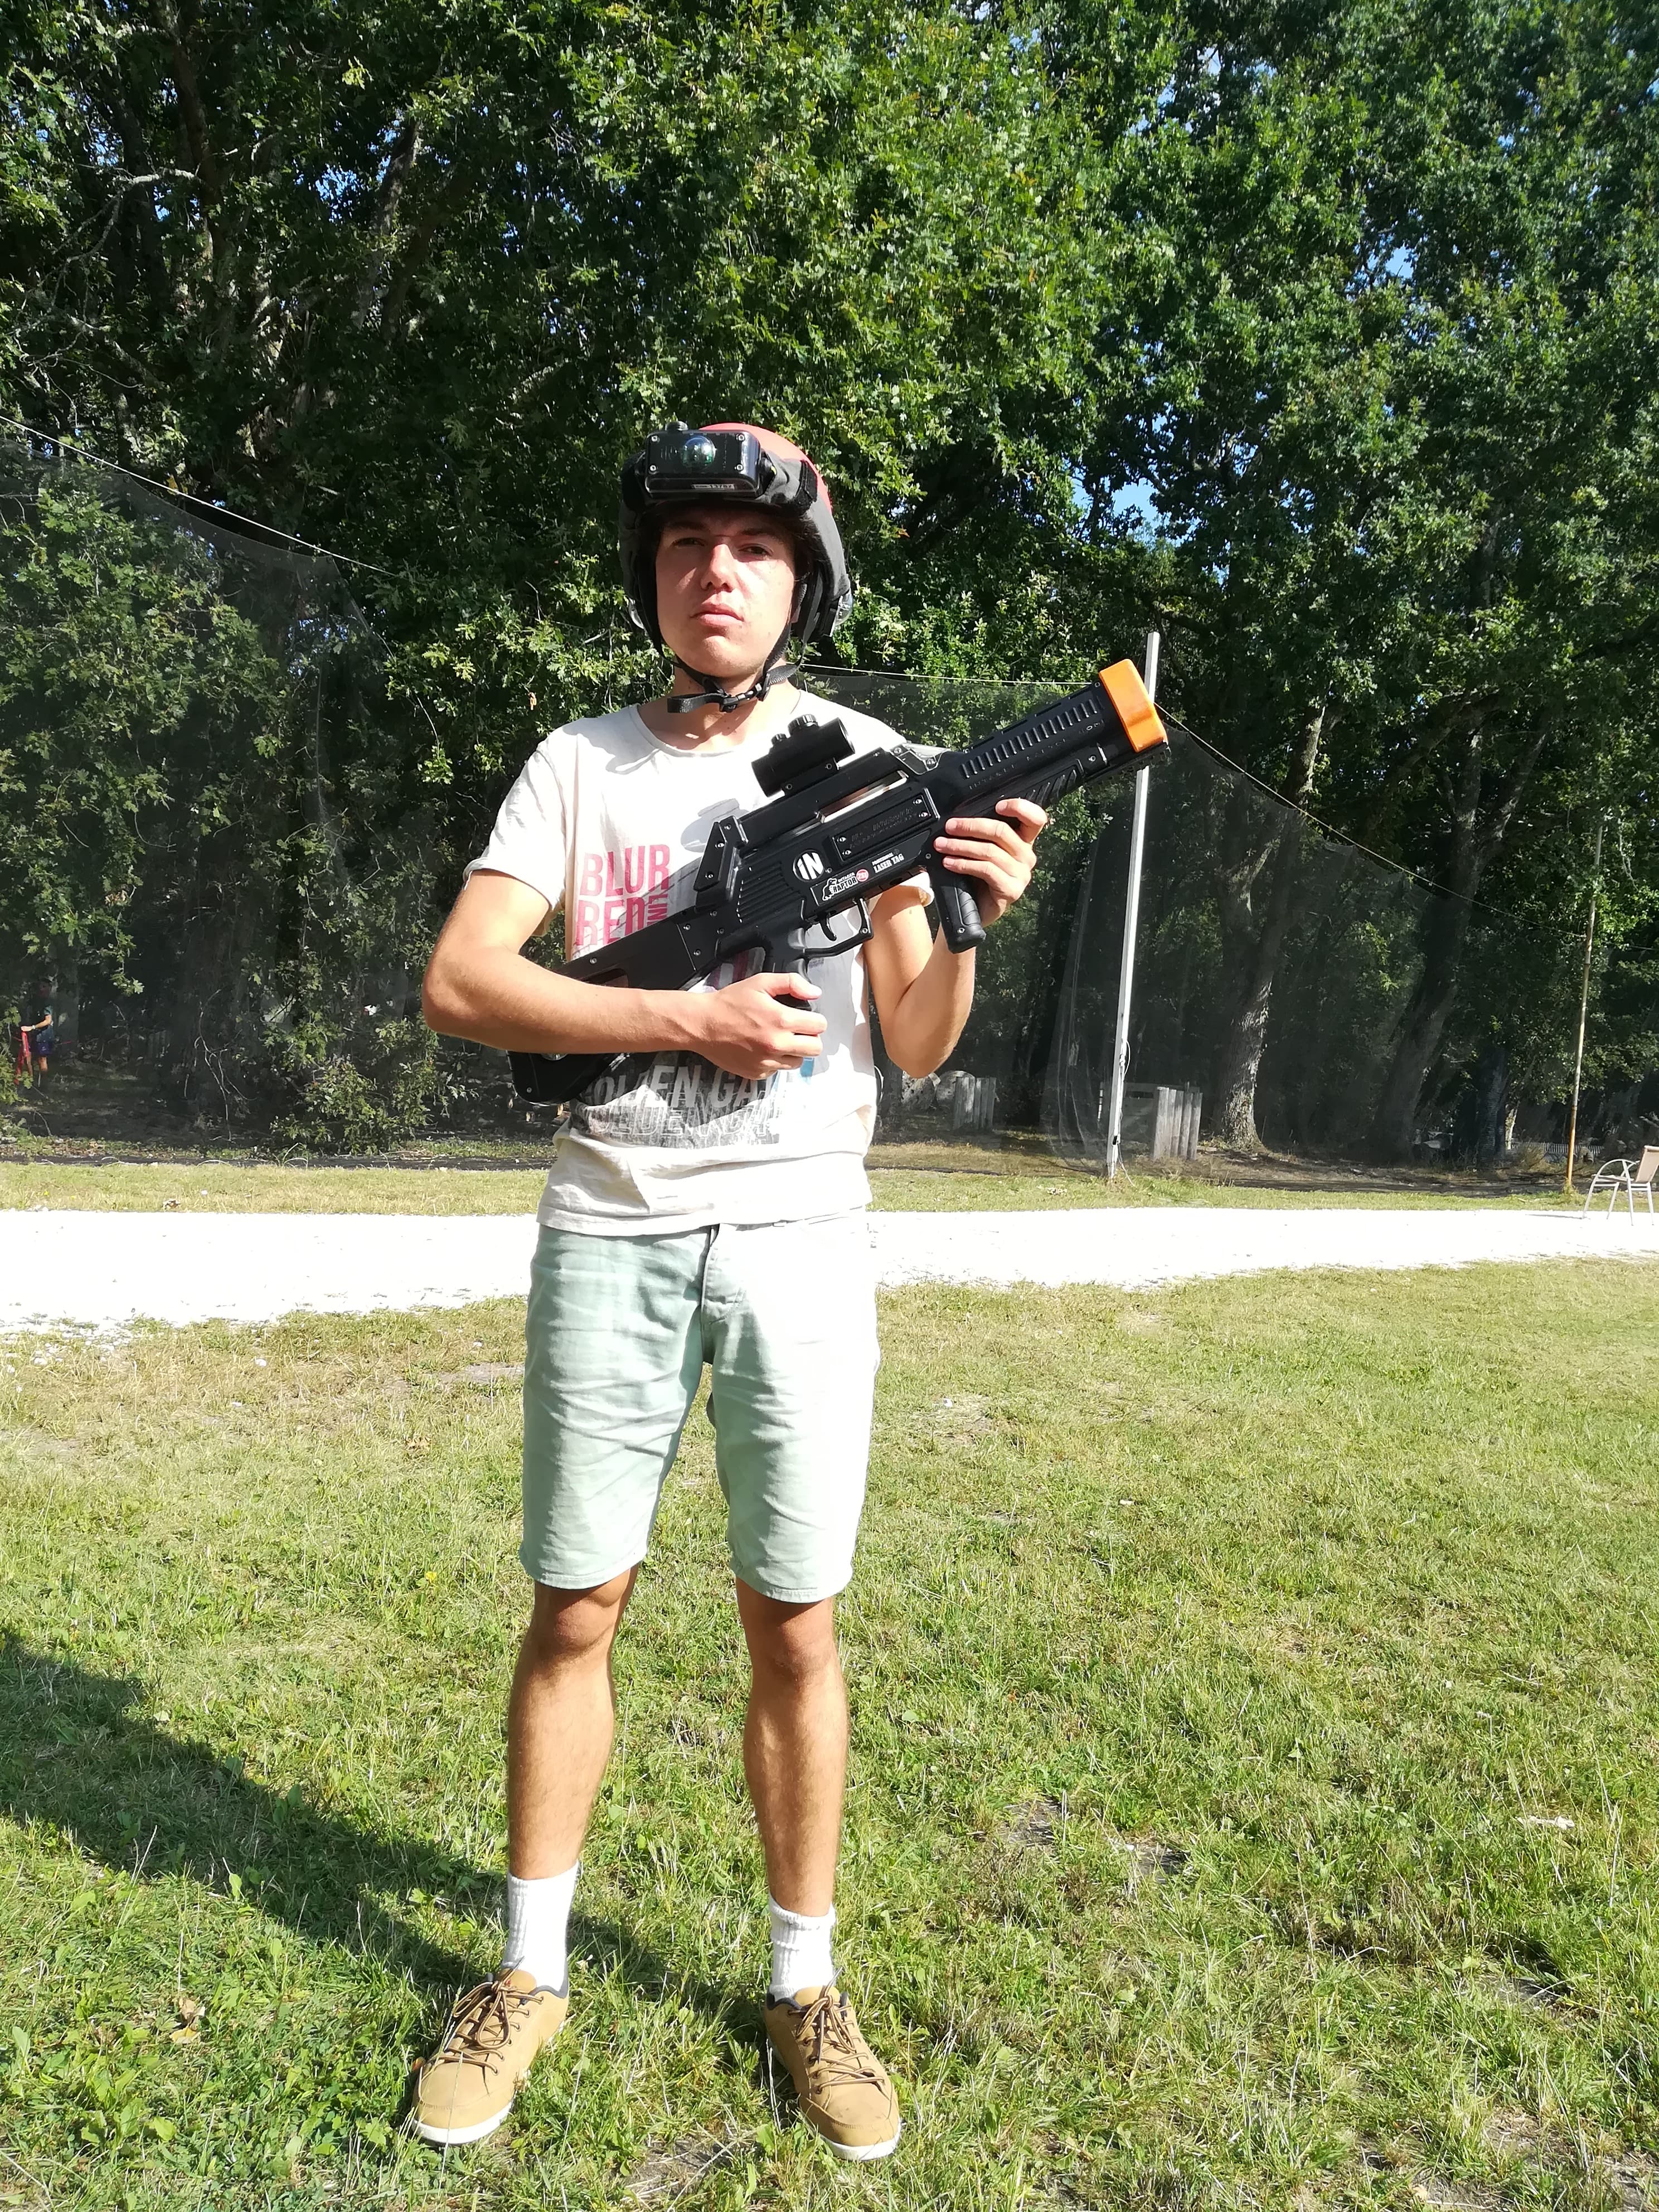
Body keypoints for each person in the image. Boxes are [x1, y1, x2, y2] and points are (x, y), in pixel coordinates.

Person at [416, 421, 1047, 2160]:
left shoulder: (870, 767)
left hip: (803, 1243)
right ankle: (530, 1972)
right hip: (610, 1228)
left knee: (797, 1622)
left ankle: (802, 1987)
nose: (718, 571)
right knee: (576, 1607)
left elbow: (916, 1037)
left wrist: (966, 917)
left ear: (801, 583)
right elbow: (463, 980)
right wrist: (678, 1017)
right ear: (655, 578)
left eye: (755, 547)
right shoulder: (580, 764)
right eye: (689, 543)